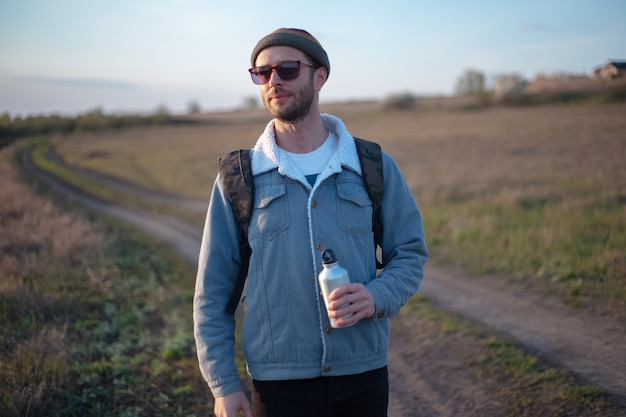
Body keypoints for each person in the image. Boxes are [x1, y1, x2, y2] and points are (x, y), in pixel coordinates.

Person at [193, 28, 428, 417]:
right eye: (261, 73)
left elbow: (410, 253)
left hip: (363, 375)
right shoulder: (240, 178)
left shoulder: (372, 166)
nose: (274, 81)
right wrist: (223, 384)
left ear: (320, 77)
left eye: (287, 69)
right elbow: (212, 292)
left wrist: (375, 296)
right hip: (278, 386)